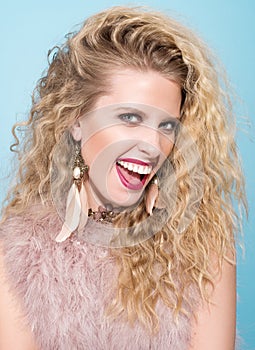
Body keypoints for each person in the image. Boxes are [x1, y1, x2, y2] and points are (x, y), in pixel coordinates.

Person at [0, 6, 246, 350]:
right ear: (76, 119)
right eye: (130, 117)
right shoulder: (17, 253)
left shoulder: (201, 245)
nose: (152, 145)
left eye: (167, 125)